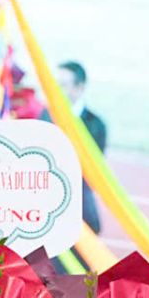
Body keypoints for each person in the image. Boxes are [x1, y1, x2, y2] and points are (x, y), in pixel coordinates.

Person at [54, 60, 106, 232]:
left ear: (79, 87)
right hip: (48, 205)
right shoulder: (45, 117)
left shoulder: (96, 125)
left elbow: (91, 169)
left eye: (63, 85)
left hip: (79, 205)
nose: (56, 90)